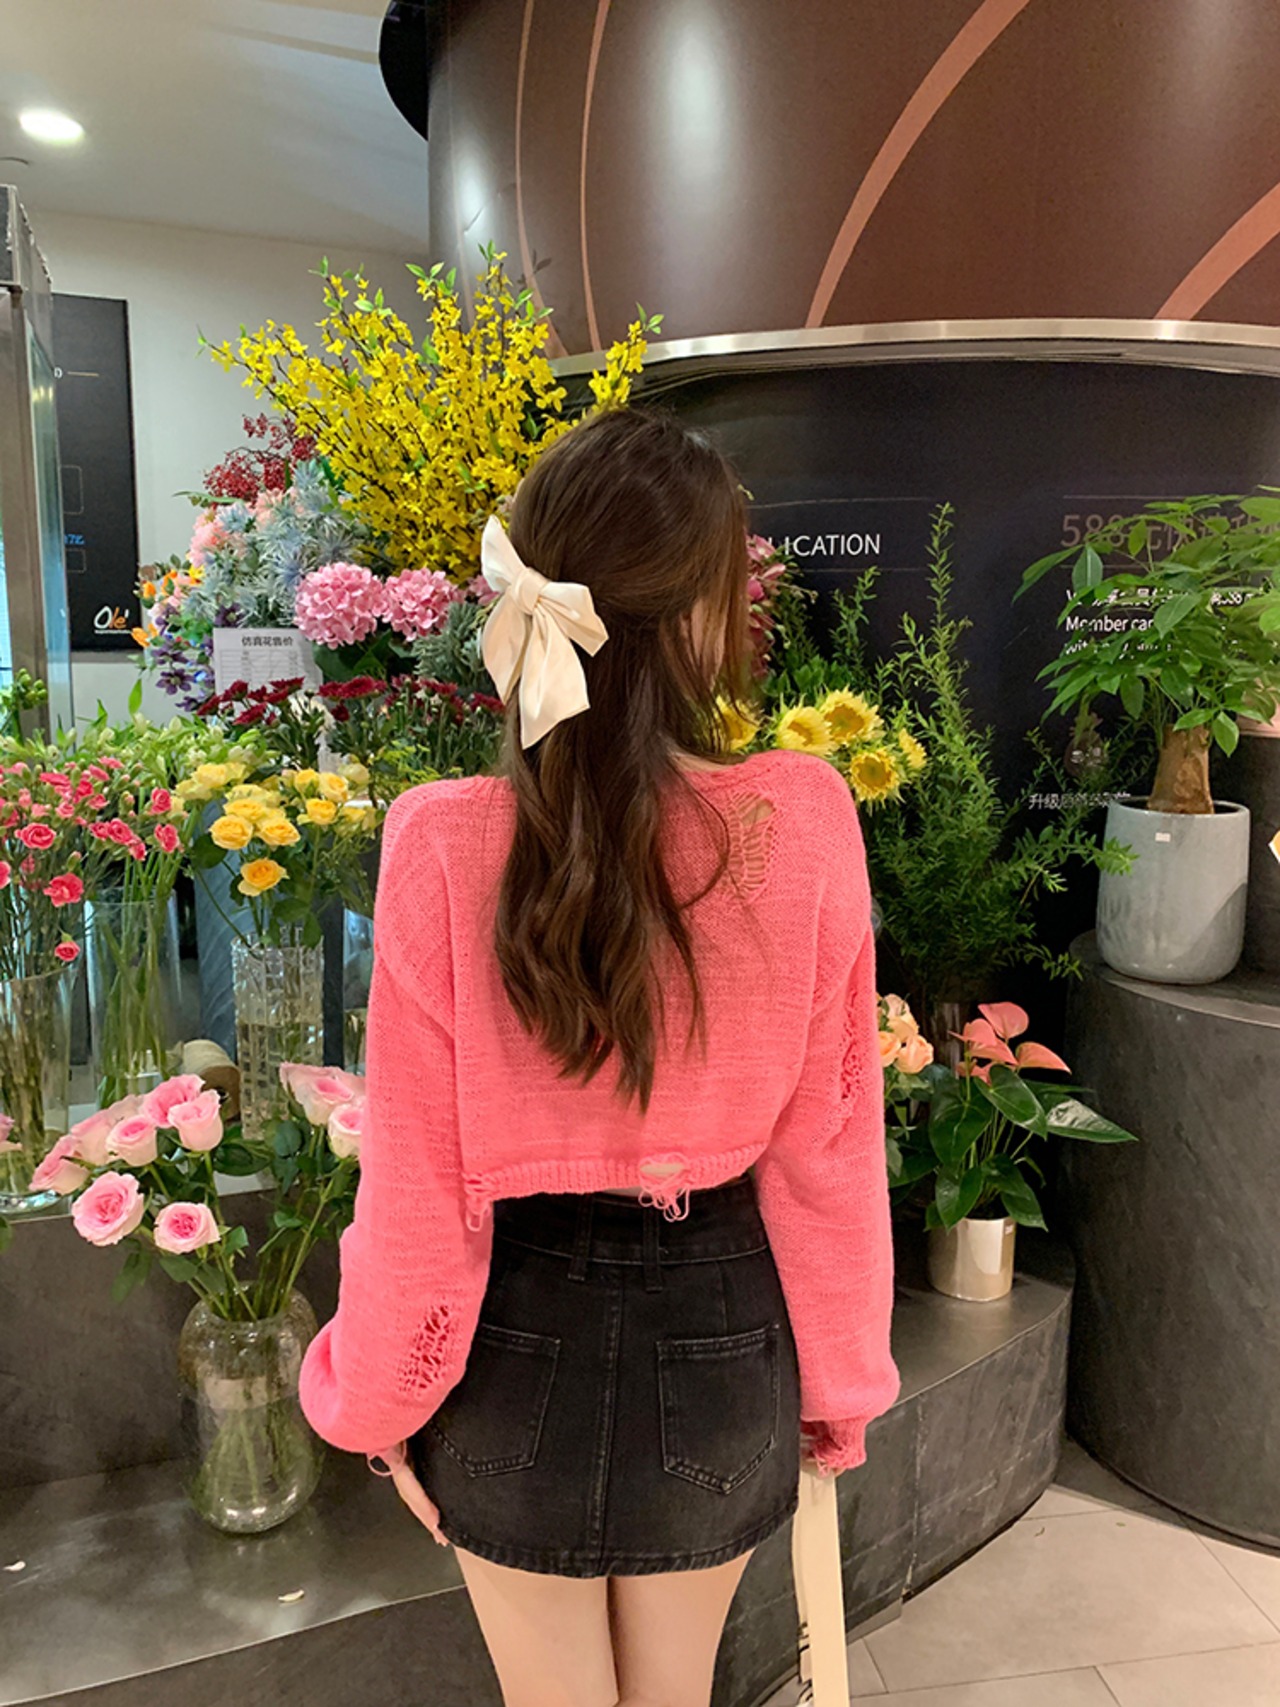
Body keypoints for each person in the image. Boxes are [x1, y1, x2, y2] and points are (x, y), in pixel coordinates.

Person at [299, 408, 899, 1707]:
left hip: (513, 1345)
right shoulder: (805, 818)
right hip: (723, 1328)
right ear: (701, 614)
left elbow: (418, 1189)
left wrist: (376, 1404)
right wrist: (838, 1385)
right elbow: (830, 1150)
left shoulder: (441, 841)